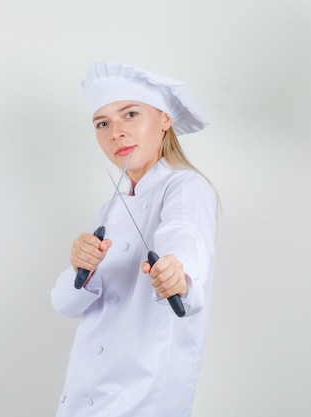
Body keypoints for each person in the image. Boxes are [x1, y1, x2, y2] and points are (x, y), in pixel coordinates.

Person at [50, 61, 218, 417]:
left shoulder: (185, 186)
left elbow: (183, 239)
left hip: (142, 394)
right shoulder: (110, 207)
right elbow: (66, 304)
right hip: (86, 391)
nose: (116, 133)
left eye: (130, 114)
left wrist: (176, 271)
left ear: (164, 119)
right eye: (103, 123)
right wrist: (83, 267)